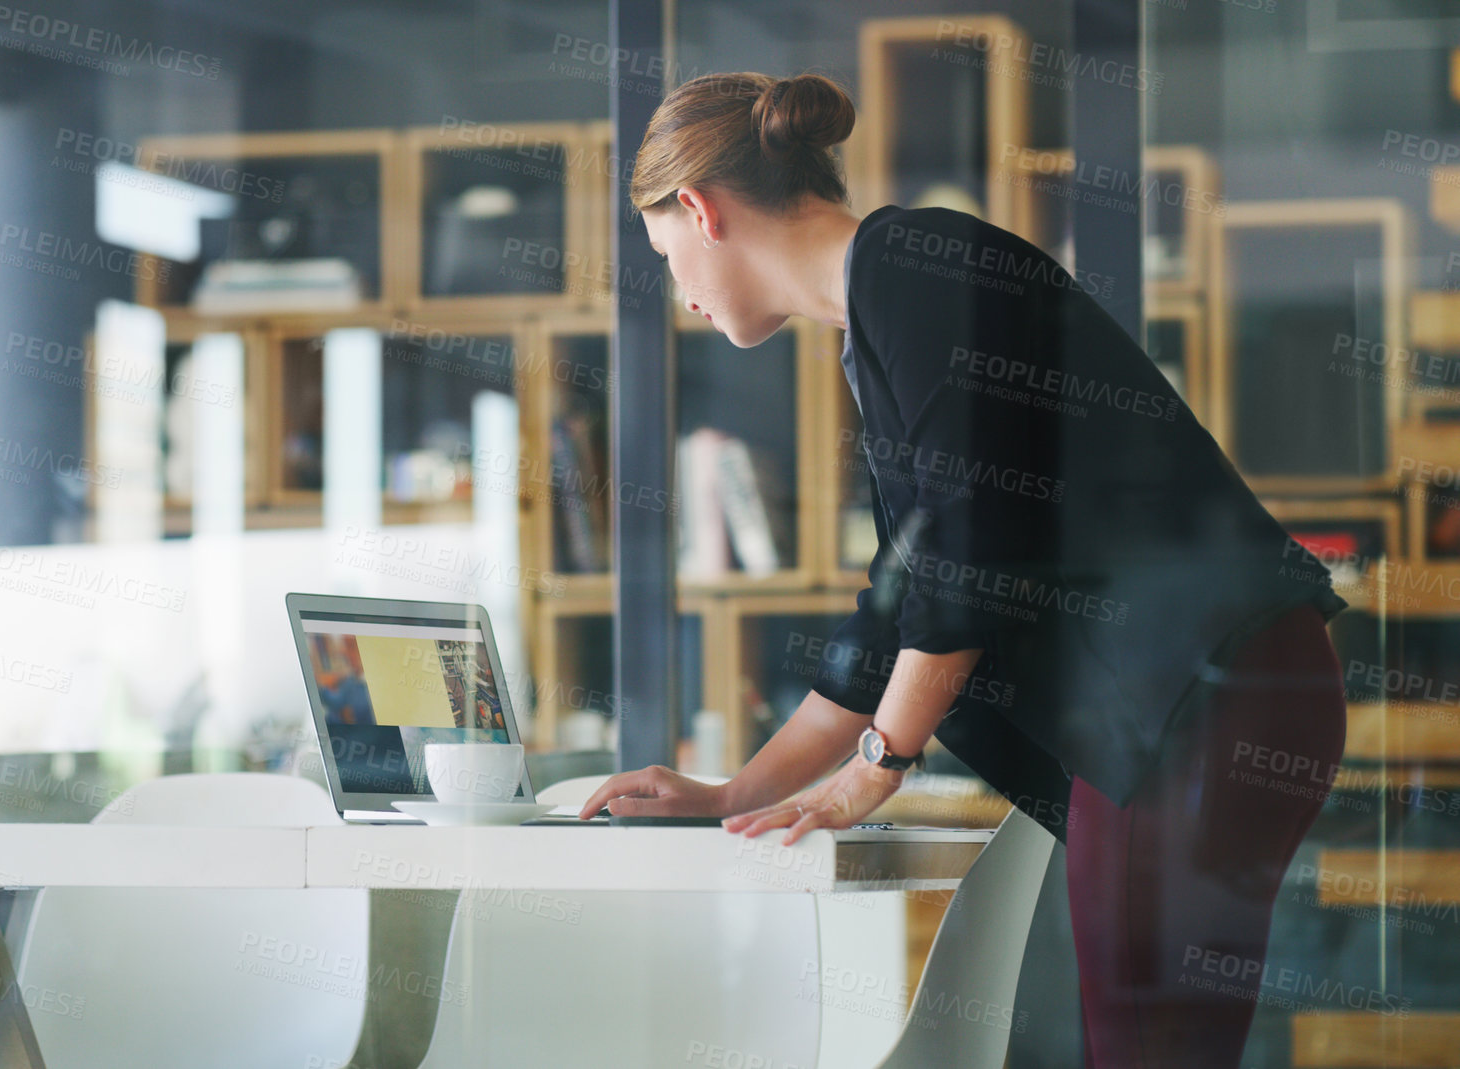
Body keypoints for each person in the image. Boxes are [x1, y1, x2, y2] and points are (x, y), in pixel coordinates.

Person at [577, 71, 1350, 1069]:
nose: (676, 291)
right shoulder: (885, 304)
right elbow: (895, 611)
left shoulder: (913, 271)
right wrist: (736, 792)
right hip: (1186, 704)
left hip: (1200, 698)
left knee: (1151, 1047)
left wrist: (879, 765)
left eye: (662, 253)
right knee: (1151, 1044)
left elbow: (965, 558)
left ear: (698, 208)